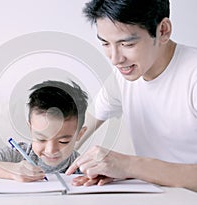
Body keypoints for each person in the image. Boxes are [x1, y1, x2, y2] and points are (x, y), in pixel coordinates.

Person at [66, 0, 197, 192]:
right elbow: (74, 132)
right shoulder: (123, 77)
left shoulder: (192, 75)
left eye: (127, 44)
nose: (115, 58)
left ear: (163, 31)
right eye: (105, 43)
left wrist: (128, 166)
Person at [0, 80, 88, 182]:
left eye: (63, 141)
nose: (50, 150)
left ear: (79, 134)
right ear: (30, 128)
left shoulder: (80, 164)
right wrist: (12, 170)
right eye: (41, 139)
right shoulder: (19, 154)